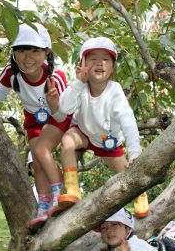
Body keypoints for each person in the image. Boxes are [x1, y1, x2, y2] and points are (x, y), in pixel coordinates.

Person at [0, 22, 71, 231]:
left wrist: (54, 104)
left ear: (46, 53)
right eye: (21, 50)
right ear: (14, 54)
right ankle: (44, 205)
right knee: (36, 162)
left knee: (40, 150)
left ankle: (61, 193)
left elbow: (65, 112)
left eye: (35, 50)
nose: (27, 57)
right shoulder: (12, 73)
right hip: (34, 120)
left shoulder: (56, 76)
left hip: (57, 117)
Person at [47, 37, 142, 209]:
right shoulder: (80, 87)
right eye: (92, 59)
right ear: (82, 65)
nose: (100, 63)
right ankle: (72, 189)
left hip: (108, 141)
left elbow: (128, 121)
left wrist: (134, 152)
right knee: (67, 141)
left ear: (113, 67)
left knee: (129, 177)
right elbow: (65, 107)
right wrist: (78, 83)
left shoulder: (115, 91)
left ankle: (140, 197)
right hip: (84, 133)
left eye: (106, 59)